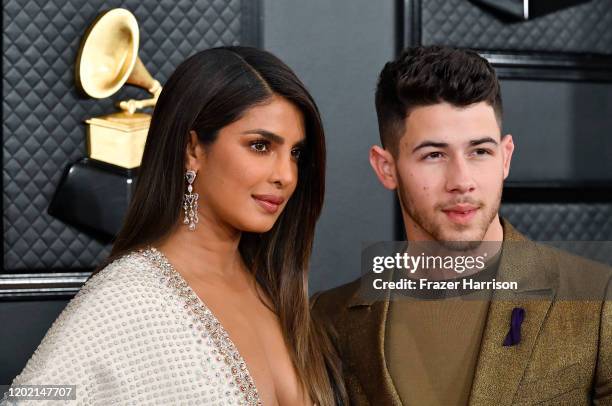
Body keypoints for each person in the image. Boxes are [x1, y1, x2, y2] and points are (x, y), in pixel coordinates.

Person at [5, 47, 345, 405]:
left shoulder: (275, 288)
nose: (286, 175)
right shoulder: (128, 297)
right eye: (260, 146)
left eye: (296, 153)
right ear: (193, 149)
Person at [311, 46, 612, 405]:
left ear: (505, 157)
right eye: (434, 155)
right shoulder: (328, 320)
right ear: (386, 167)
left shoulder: (597, 299)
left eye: (480, 152)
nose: (461, 180)